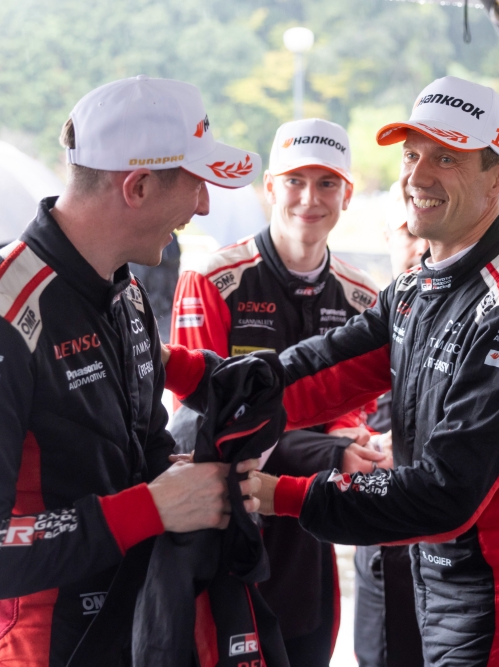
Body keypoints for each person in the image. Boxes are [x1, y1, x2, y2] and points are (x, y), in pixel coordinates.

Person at [229, 75, 499, 666]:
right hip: (441, 582)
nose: (417, 177)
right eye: (411, 155)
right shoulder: (419, 286)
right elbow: (319, 370)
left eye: (446, 159)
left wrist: (283, 495)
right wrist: (190, 377)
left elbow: (447, 492)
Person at [0, 75, 263, 666]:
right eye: (196, 182)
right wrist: (153, 507)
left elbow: (141, 449)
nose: (203, 204)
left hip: (126, 629)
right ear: (139, 187)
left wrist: (196, 481)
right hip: (26, 651)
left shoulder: (123, 292)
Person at [166, 117, 386, 666]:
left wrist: (349, 438)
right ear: (269, 187)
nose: (310, 199)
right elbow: (204, 423)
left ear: (347, 194)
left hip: (308, 523)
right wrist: (329, 450)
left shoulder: (364, 297)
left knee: (308, 647)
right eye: (294, 181)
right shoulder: (213, 279)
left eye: (327, 183)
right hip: (223, 520)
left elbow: (357, 413)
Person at [353, 182, 427, 667]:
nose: (420, 246)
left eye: (427, 233)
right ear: (386, 236)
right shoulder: (368, 313)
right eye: (408, 232)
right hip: (378, 525)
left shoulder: (480, 313)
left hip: (444, 529)